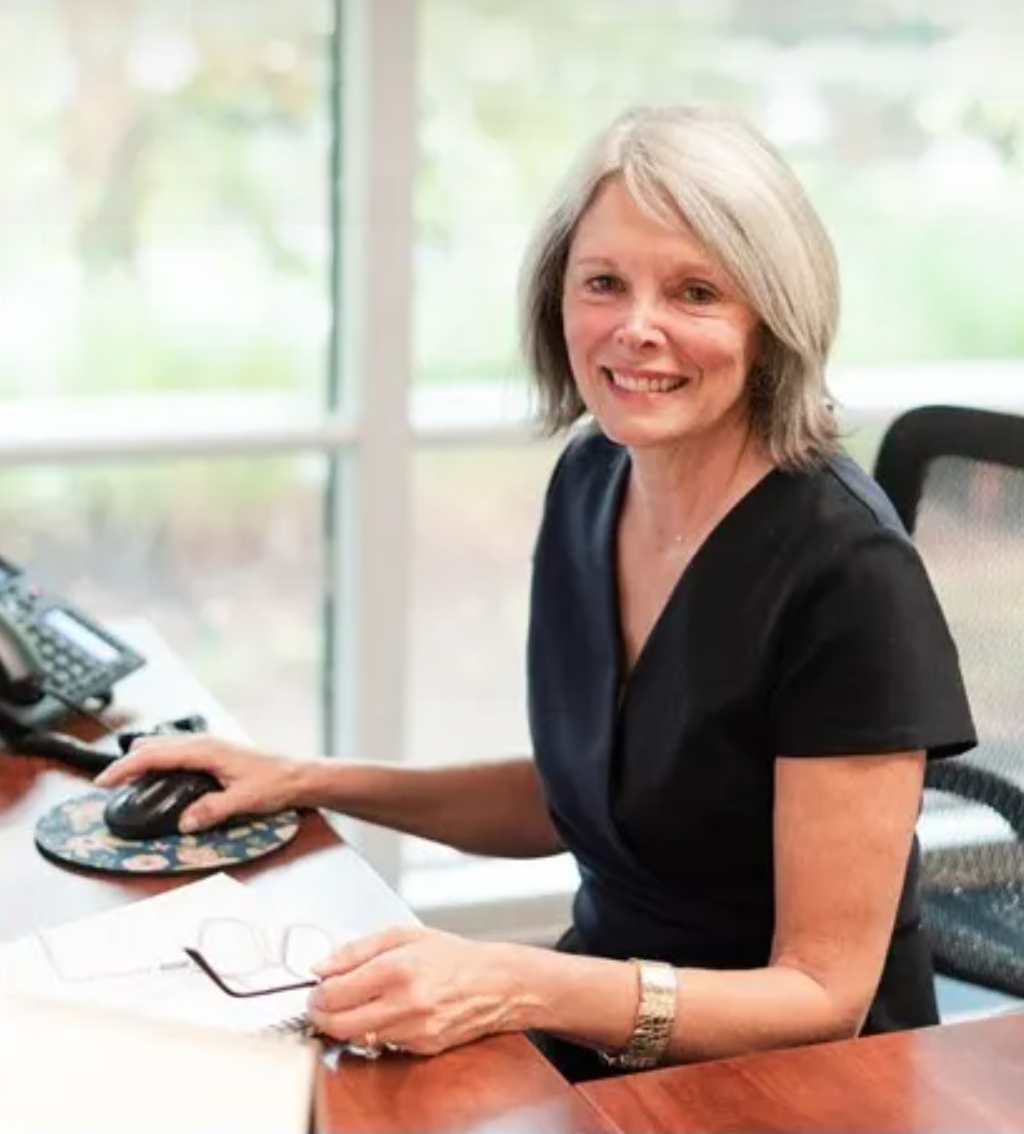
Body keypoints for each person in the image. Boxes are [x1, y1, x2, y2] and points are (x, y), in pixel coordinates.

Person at [98, 104, 976, 1081]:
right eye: (604, 282)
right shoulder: (597, 474)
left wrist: (512, 983)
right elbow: (584, 795)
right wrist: (305, 780)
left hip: (786, 1086)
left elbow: (821, 997)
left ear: (770, 318)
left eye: (694, 292)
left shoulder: (846, 574)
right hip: (598, 1030)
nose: (635, 329)